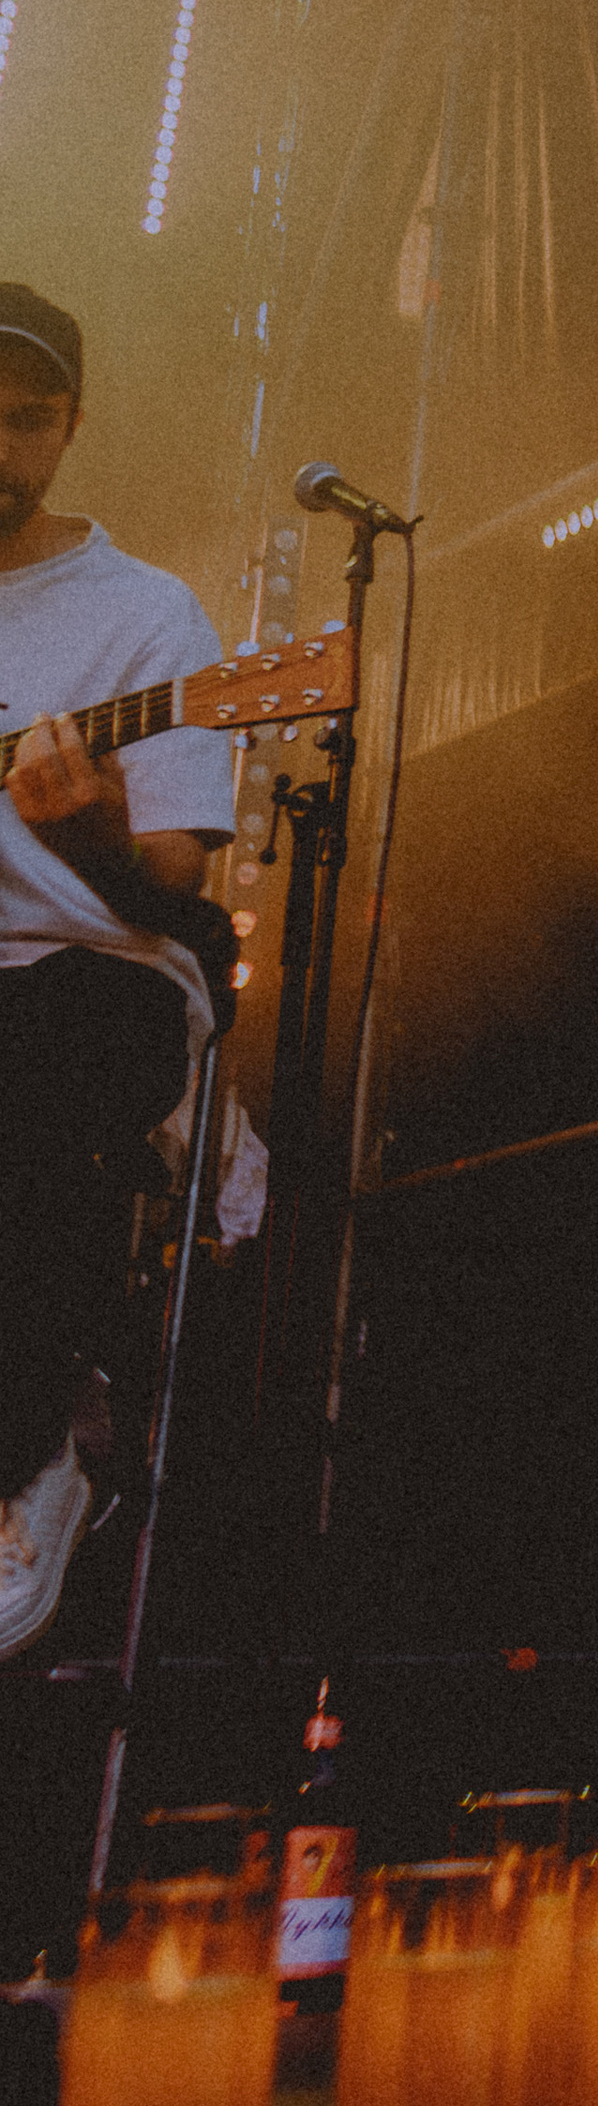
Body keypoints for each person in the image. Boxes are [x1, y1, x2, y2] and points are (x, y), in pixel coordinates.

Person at [0, 284, 237, 1665]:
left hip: (99, 969)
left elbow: (172, 883)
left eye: (27, 421)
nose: (1, 446)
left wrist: (80, 821)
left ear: (70, 430)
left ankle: (34, 1450)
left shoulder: (147, 616)